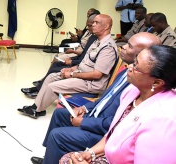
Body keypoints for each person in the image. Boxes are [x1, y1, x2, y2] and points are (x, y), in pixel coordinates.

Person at [30, 32, 161, 164]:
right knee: (59, 114)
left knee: (57, 136)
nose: (123, 47)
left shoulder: (139, 85)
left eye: (130, 46)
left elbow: (118, 123)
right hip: (97, 116)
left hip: (104, 132)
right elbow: (105, 99)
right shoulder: (127, 71)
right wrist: (84, 108)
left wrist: (83, 122)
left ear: (146, 54)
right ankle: (50, 158)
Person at [60, 45, 176, 164]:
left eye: (136, 67)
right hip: (111, 154)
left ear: (156, 82)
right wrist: (90, 153)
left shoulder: (163, 119)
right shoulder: (132, 91)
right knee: (68, 159)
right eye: (134, 61)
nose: (129, 67)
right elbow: (113, 134)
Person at [18, 14, 118, 119]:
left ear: (106, 26)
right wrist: (72, 68)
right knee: (51, 77)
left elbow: (97, 75)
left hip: (91, 84)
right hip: (81, 74)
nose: (93, 24)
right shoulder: (97, 42)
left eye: (96, 22)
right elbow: (85, 63)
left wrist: (71, 74)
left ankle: (36, 111)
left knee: (53, 87)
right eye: (93, 22)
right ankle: (36, 106)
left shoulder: (108, 48)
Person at [22, 15, 98, 98]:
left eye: (90, 25)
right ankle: (40, 86)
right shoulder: (91, 36)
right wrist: (72, 57)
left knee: (54, 68)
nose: (89, 27)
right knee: (57, 58)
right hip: (78, 57)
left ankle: (39, 89)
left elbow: (84, 58)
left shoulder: (97, 41)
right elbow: (83, 54)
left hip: (80, 64)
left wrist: (72, 60)